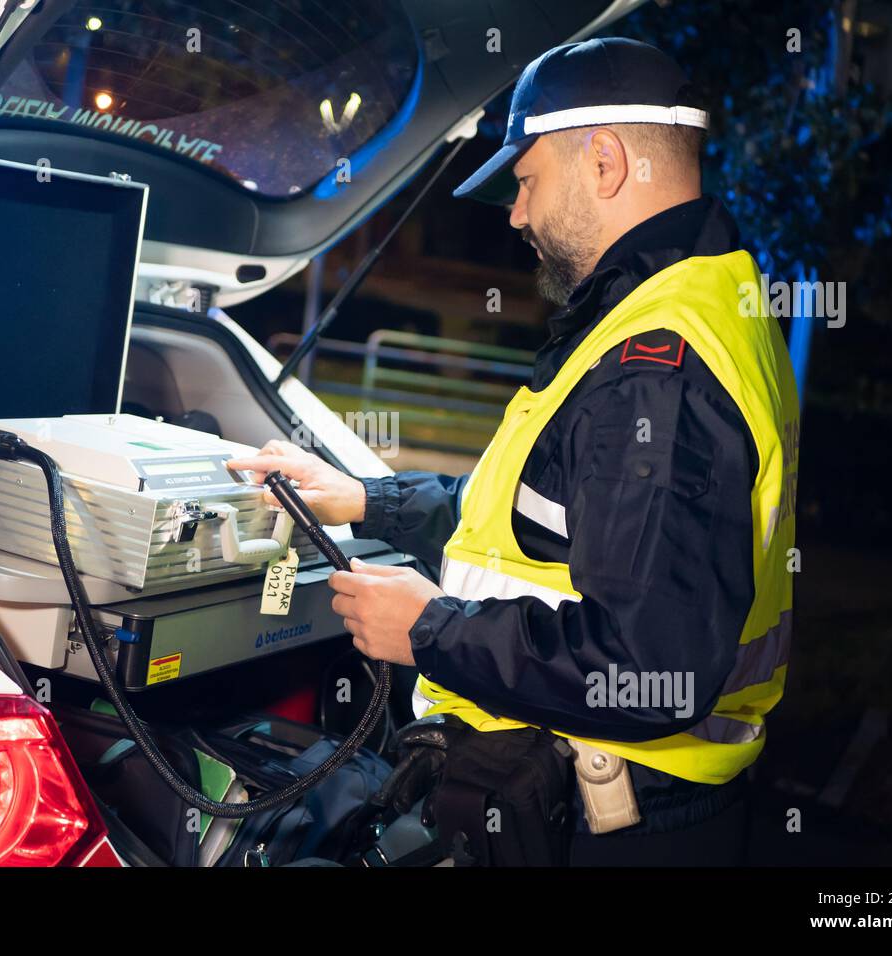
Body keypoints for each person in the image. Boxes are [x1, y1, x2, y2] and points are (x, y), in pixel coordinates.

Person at [227, 37, 799, 866]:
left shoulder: (655, 364)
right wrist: (360, 498)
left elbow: (650, 665)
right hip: (614, 806)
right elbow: (534, 513)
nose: (517, 214)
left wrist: (430, 629)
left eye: (525, 181)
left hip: (606, 824)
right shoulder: (694, 305)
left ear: (604, 162)